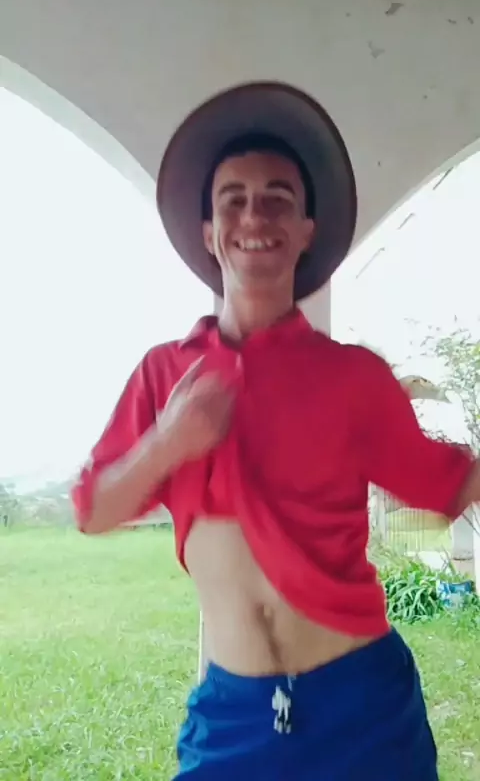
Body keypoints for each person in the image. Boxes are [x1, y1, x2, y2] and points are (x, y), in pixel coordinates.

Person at [72, 82, 479, 780]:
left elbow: (445, 484)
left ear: (305, 231)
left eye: (277, 198)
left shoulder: (352, 376)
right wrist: (168, 443)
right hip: (233, 718)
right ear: (209, 233)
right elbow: (93, 510)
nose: (254, 215)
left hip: (365, 707)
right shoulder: (165, 374)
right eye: (233, 199)